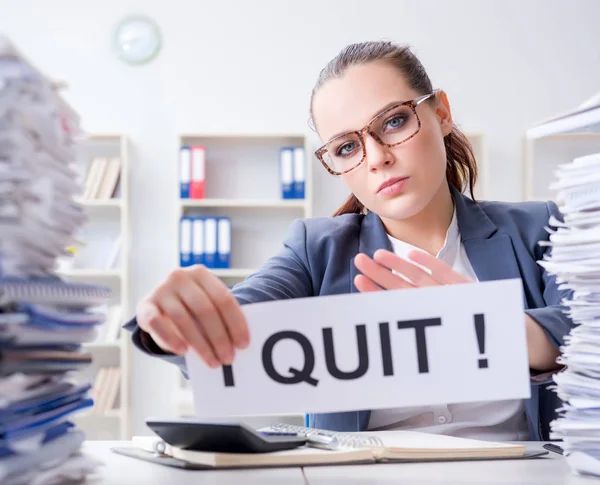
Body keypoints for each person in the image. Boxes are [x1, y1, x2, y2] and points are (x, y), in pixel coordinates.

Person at [125, 40, 573, 441]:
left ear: (441, 114)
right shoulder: (315, 249)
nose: (377, 157)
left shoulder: (539, 229)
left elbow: (587, 329)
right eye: (345, 147)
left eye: (395, 121)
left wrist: (492, 328)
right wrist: (178, 322)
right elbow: (240, 322)